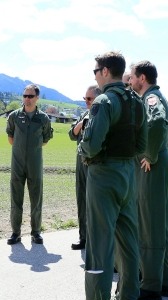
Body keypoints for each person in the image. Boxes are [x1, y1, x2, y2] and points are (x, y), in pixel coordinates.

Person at [71, 51, 147, 300]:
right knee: (128, 241)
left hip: (103, 174)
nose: (94, 75)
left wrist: (84, 152)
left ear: (105, 72)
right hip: (129, 173)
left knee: (99, 242)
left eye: (95, 71)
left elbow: (90, 144)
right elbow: (142, 144)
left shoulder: (104, 101)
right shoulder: (136, 102)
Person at [129, 60, 168, 300]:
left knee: (149, 226)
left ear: (143, 77)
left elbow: (158, 123)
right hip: (161, 165)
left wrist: (151, 154)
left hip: (153, 167)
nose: (129, 80)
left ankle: (150, 287)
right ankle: (162, 282)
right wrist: (161, 150)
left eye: (132, 76)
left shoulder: (151, 98)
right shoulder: (159, 98)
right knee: (160, 227)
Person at [5, 84, 53, 245]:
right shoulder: (14, 116)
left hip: (35, 163)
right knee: (16, 198)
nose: (27, 99)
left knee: (36, 198)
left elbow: (45, 140)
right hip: (17, 163)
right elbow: (10, 138)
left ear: (37, 98)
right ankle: (15, 233)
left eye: (30, 96)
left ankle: (36, 232)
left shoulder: (44, 118)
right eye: (25, 95)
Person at [68, 85, 101, 250]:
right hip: (80, 163)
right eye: (85, 99)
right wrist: (82, 122)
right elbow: (71, 134)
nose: (86, 102)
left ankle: (95, 240)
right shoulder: (83, 114)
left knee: (94, 203)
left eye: (89, 99)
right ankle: (83, 238)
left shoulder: (101, 114)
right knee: (81, 200)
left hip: (94, 164)